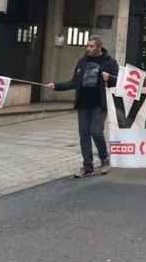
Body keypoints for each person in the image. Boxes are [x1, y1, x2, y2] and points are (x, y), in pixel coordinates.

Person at [45, 36, 118, 178]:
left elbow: (118, 81)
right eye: (87, 46)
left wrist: (109, 78)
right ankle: (87, 166)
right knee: (84, 134)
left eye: (91, 46)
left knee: (96, 131)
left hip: (99, 104)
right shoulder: (82, 62)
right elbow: (74, 82)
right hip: (83, 104)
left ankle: (104, 159)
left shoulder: (109, 62)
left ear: (99, 47)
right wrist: (56, 86)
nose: (88, 49)